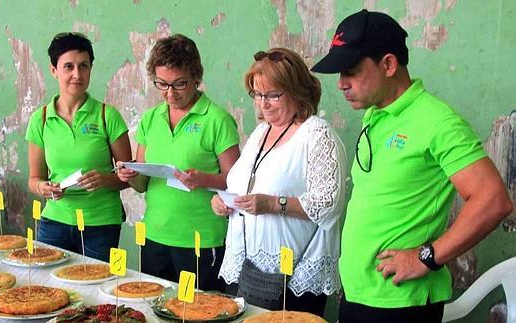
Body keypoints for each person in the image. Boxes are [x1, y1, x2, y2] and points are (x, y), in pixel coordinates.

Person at [311, 9, 514, 323]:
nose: (341, 84)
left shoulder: (437, 122)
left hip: (400, 303)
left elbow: (493, 200)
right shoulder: (376, 115)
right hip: (359, 294)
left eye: (350, 71)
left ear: (389, 64)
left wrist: (426, 258)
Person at [211, 47, 347, 316]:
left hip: (293, 275)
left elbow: (329, 203)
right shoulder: (262, 132)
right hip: (250, 271)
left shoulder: (316, 134)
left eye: (273, 95)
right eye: (258, 94)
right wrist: (222, 201)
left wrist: (273, 204)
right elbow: (240, 184)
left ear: (297, 91)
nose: (264, 104)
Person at [116, 34, 240, 291]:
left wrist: (203, 179)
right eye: (161, 84)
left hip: (200, 239)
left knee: (196, 312)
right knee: (154, 308)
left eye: (179, 84)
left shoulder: (217, 119)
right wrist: (130, 174)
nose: (169, 93)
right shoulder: (151, 118)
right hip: (154, 234)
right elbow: (142, 183)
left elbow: (236, 181)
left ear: (196, 77)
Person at [25, 32, 132, 262]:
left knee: (100, 288)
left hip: (102, 225)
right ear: (54, 70)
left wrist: (103, 179)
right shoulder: (41, 119)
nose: (77, 74)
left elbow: (129, 177)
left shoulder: (107, 116)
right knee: (49, 288)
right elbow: (34, 179)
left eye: (84, 66)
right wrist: (44, 188)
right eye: (68, 67)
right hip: (54, 223)